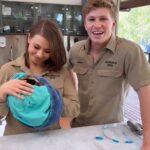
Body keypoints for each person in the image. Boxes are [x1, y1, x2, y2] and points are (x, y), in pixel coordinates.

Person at [68, 0, 150, 149]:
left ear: (113, 23)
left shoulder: (130, 51)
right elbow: (62, 76)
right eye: (91, 19)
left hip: (111, 132)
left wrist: (147, 143)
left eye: (103, 19)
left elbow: (146, 92)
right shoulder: (75, 50)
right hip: (77, 127)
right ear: (85, 24)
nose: (97, 25)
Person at [0, 20, 80, 135]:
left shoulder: (62, 71)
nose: (39, 54)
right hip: (17, 141)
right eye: (36, 47)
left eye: (47, 51)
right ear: (29, 38)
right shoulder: (8, 70)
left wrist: (51, 99)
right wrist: (2, 93)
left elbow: (75, 108)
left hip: (50, 140)